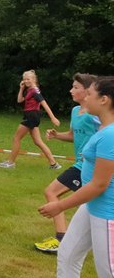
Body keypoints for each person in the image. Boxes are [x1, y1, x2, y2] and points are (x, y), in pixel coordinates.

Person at [28, 76, 114, 278]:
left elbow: (99, 185)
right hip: (91, 207)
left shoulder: (110, 135)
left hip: (106, 212)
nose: (85, 97)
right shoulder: (104, 130)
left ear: (104, 100)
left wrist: (60, 205)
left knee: (109, 274)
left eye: (90, 94)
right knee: (67, 255)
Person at [34, 73, 99, 253]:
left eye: (75, 87)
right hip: (81, 165)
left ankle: (61, 239)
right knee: (87, 205)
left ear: (88, 91)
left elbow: (107, 133)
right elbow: (73, 135)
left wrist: (93, 153)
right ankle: (65, 239)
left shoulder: (95, 115)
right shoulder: (75, 111)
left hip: (90, 166)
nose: (71, 90)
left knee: (54, 192)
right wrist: (57, 136)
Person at [0, 70, 62, 169]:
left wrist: (53, 118)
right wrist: (21, 88)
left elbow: (44, 103)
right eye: (24, 79)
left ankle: (10, 163)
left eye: (28, 79)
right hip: (31, 116)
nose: (26, 81)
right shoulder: (29, 90)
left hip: (31, 116)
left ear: (34, 79)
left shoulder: (35, 91)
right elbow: (19, 100)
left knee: (16, 138)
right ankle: (54, 164)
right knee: (38, 141)